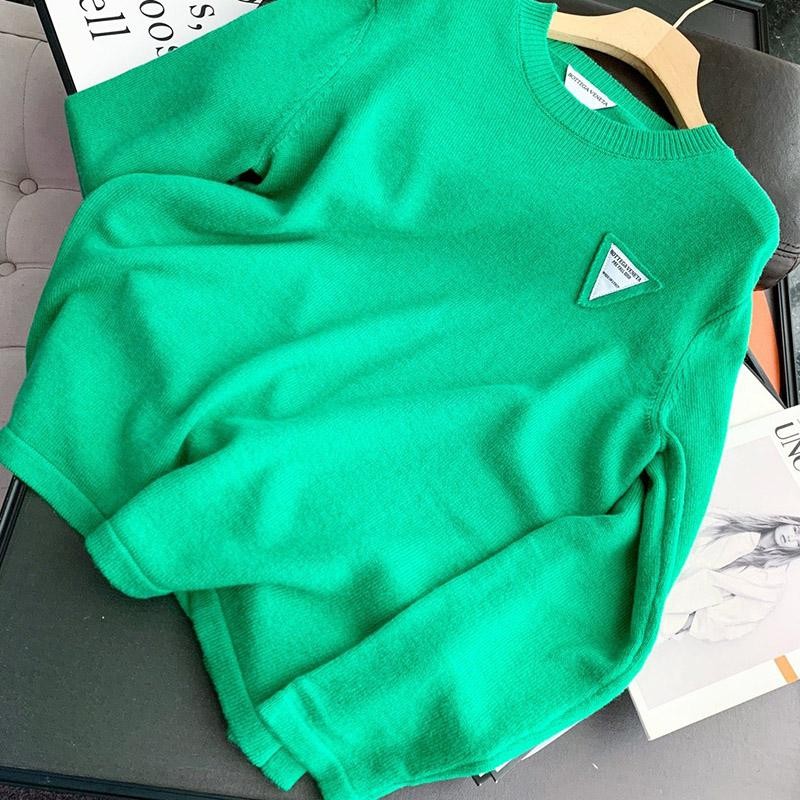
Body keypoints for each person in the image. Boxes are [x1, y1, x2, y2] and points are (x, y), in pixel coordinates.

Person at [656, 508, 800, 643]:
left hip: (667, 614)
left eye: (798, 543)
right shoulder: (731, 523)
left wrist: (685, 622)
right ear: (788, 521)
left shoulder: (772, 583)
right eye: (796, 530)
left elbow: (738, 617)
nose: (791, 538)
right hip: (654, 575)